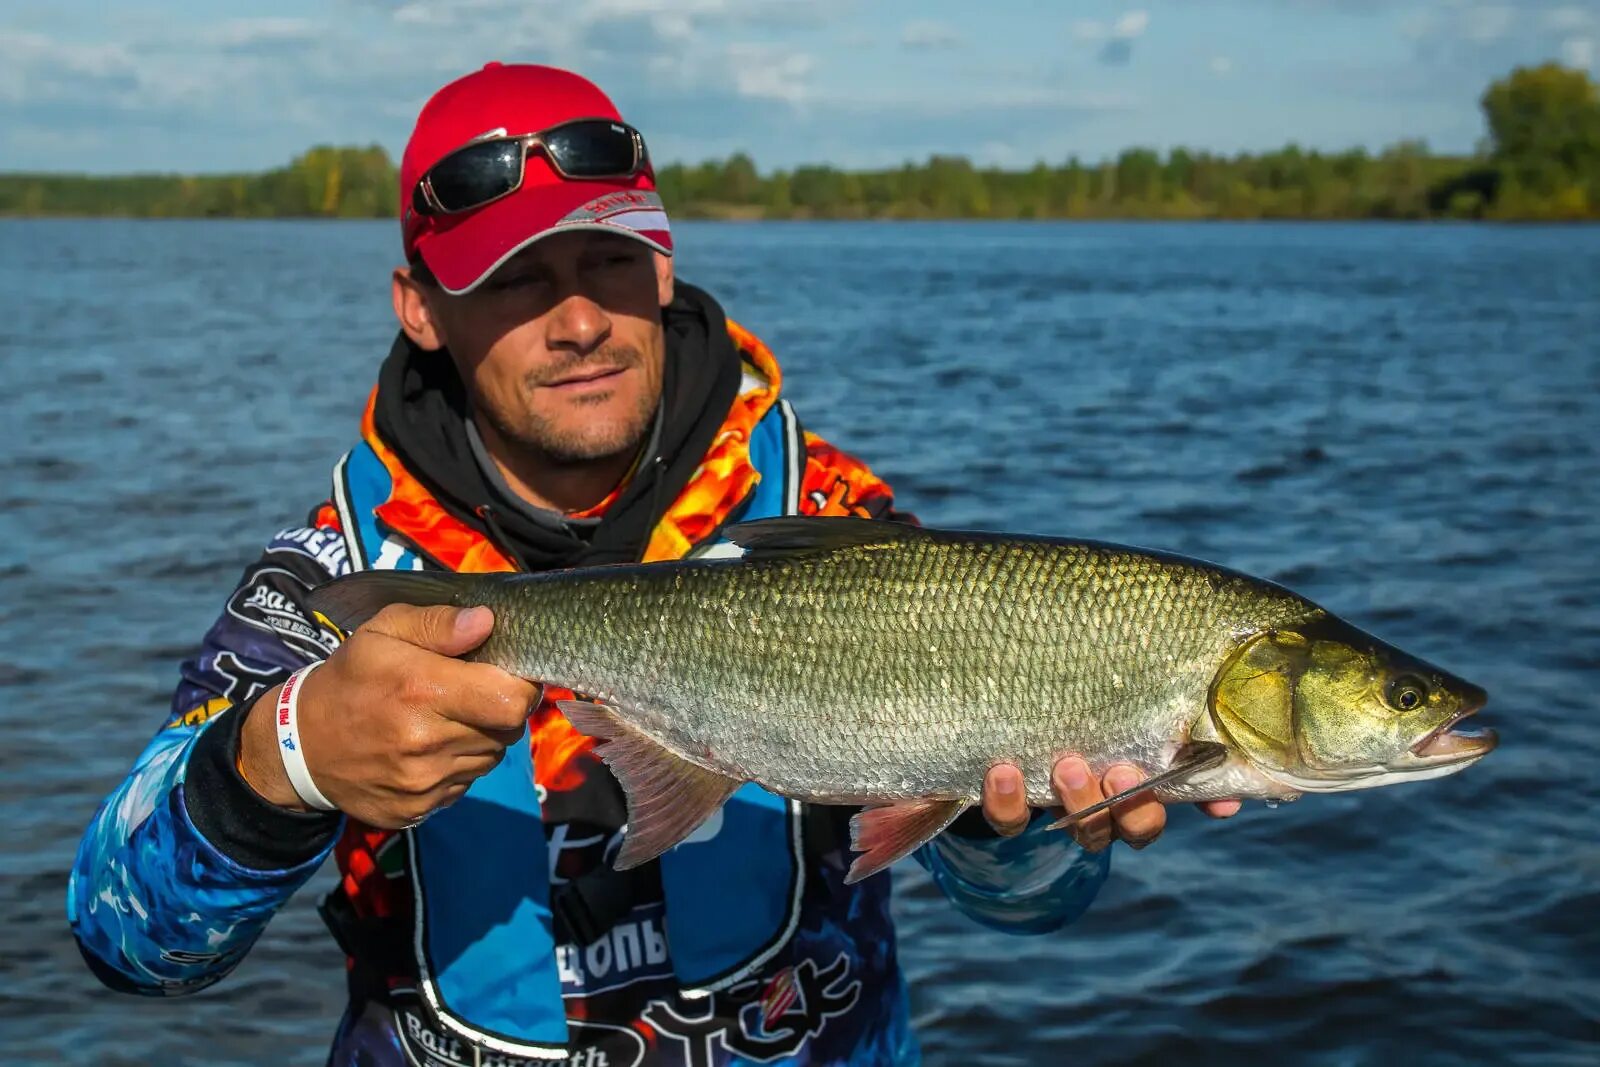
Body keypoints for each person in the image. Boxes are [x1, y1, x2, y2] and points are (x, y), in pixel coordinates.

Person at [68, 63, 1238, 1066]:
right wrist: (283, 761)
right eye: (517, 282)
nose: (579, 321)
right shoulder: (341, 571)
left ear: (664, 267)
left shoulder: (834, 512)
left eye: (610, 263)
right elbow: (134, 947)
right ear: (421, 310)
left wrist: (1013, 824)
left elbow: (1024, 908)